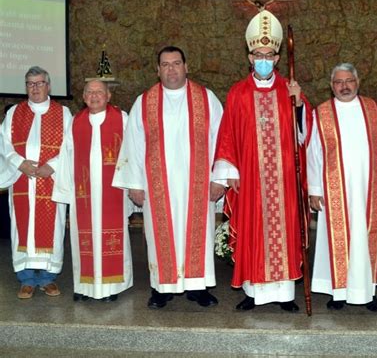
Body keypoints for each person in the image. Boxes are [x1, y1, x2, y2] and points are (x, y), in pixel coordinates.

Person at [213, 9, 312, 312]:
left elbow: (305, 134)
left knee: (284, 232)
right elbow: (228, 133)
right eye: (258, 54)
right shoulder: (238, 93)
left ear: (279, 58)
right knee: (253, 230)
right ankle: (252, 291)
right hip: (251, 179)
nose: (264, 59)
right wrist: (229, 171)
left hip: (283, 180)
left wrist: (299, 106)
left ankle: (284, 295)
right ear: (250, 57)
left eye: (269, 54)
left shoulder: (289, 89)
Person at [112, 46, 223, 309]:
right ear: (157, 70)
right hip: (157, 186)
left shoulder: (207, 99)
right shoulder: (145, 101)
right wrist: (135, 184)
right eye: (165, 64)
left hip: (197, 185)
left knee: (199, 235)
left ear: (186, 66)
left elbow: (222, 140)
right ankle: (162, 287)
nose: (171, 69)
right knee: (159, 235)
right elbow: (133, 144)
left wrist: (220, 177)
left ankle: (198, 287)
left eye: (176, 63)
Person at [307, 63, 377, 312]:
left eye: (349, 81)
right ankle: (338, 291)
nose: (344, 86)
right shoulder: (321, 113)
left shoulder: (373, 109)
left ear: (358, 81)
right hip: (334, 189)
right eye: (339, 82)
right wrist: (315, 188)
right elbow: (314, 152)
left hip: (368, 186)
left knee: (367, 236)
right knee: (336, 238)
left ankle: (368, 291)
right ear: (331, 86)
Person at [53, 80, 132, 302]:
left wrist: (131, 184)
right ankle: (84, 285)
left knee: (111, 237)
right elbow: (66, 157)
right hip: (83, 193)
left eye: (99, 92)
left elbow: (132, 152)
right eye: (89, 92)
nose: (94, 96)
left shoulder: (122, 118)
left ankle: (112, 286)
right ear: (84, 97)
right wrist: (65, 191)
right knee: (82, 239)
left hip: (113, 191)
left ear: (108, 96)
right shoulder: (76, 122)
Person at [0, 66, 72, 299]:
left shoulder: (63, 113)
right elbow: (4, 144)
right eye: (30, 84)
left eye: (39, 83)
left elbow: (70, 146)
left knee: (53, 228)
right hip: (22, 181)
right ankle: (27, 279)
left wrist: (52, 165)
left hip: (50, 180)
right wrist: (20, 163)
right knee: (23, 230)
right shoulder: (14, 113)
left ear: (48, 85)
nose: (35, 88)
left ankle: (48, 278)